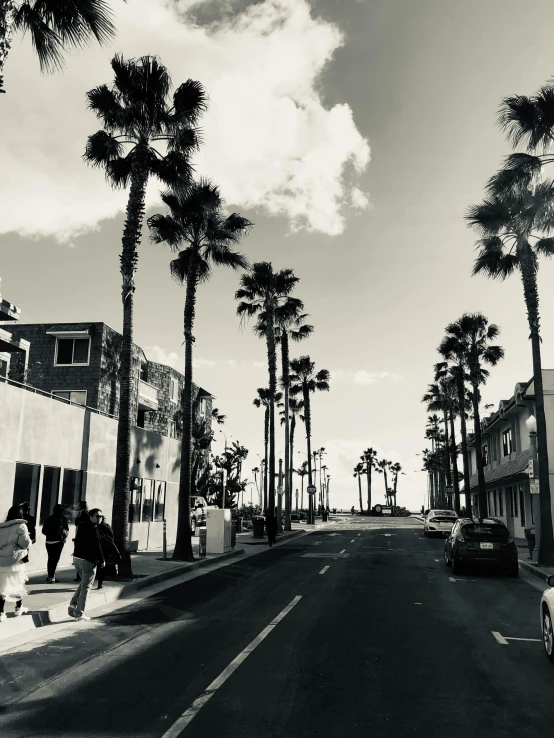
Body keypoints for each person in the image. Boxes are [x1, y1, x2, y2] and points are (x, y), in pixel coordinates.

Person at [69, 508, 105, 621]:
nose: (100, 518)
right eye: (97, 516)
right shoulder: (94, 529)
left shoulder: (82, 526)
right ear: (91, 517)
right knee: (86, 587)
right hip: (88, 561)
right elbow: (97, 546)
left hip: (77, 559)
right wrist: (102, 560)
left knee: (84, 583)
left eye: (101, 516)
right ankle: (79, 613)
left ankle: (73, 604)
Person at [0, 505, 31, 621]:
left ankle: (1, 612)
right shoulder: (21, 526)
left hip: (1, 559)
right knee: (17, 584)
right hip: (15, 560)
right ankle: (19, 608)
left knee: (2, 587)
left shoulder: (2, 527)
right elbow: (25, 544)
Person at [42, 504, 70, 583]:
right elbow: (66, 530)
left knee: (50, 558)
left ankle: (50, 575)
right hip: (58, 541)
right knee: (55, 559)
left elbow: (43, 530)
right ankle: (52, 577)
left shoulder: (49, 518)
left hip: (48, 541)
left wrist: (50, 534)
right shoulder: (63, 519)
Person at [95, 515, 121, 589]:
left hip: (99, 548)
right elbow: (111, 537)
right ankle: (100, 583)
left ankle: (96, 581)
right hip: (106, 549)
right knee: (102, 566)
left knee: (97, 565)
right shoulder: (107, 526)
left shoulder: (96, 527)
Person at [73, 502, 89, 582]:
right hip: (81, 537)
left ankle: (80, 576)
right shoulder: (85, 513)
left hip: (82, 538)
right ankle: (79, 576)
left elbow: (77, 523)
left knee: (79, 557)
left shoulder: (83, 513)